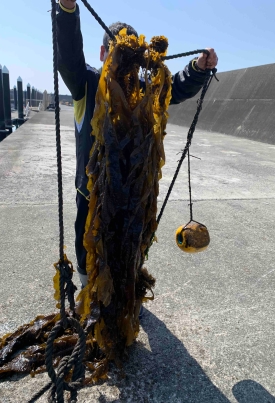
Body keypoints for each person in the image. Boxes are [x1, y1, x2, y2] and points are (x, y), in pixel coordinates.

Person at [57, 0, 218, 288]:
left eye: (128, 57)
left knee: (130, 244)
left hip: (132, 190)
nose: (121, 64)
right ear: (103, 53)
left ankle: (126, 292)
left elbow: (174, 90)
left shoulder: (140, 89)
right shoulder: (85, 84)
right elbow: (69, 58)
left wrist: (196, 69)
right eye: (115, 53)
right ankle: (87, 289)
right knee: (88, 242)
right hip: (92, 190)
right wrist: (68, 11)